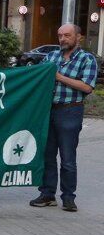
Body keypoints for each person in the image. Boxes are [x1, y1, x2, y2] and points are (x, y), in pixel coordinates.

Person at [30, 23, 97, 212]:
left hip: (70, 111)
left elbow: (87, 87)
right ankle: (47, 194)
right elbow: (36, 77)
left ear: (78, 37)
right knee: (47, 155)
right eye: (60, 36)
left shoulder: (87, 59)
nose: (62, 39)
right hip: (48, 111)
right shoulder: (51, 57)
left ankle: (68, 197)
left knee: (68, 158)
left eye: (67, 35)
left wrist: (59, 77)